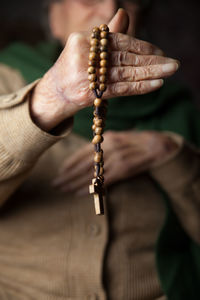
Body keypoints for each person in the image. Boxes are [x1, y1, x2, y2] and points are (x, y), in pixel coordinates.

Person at [0, 1, 199, 299]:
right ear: (55, 16)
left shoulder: (177, 109)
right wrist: (51, 98)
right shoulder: (6, 76)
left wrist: (168, 152)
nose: (109, 7)